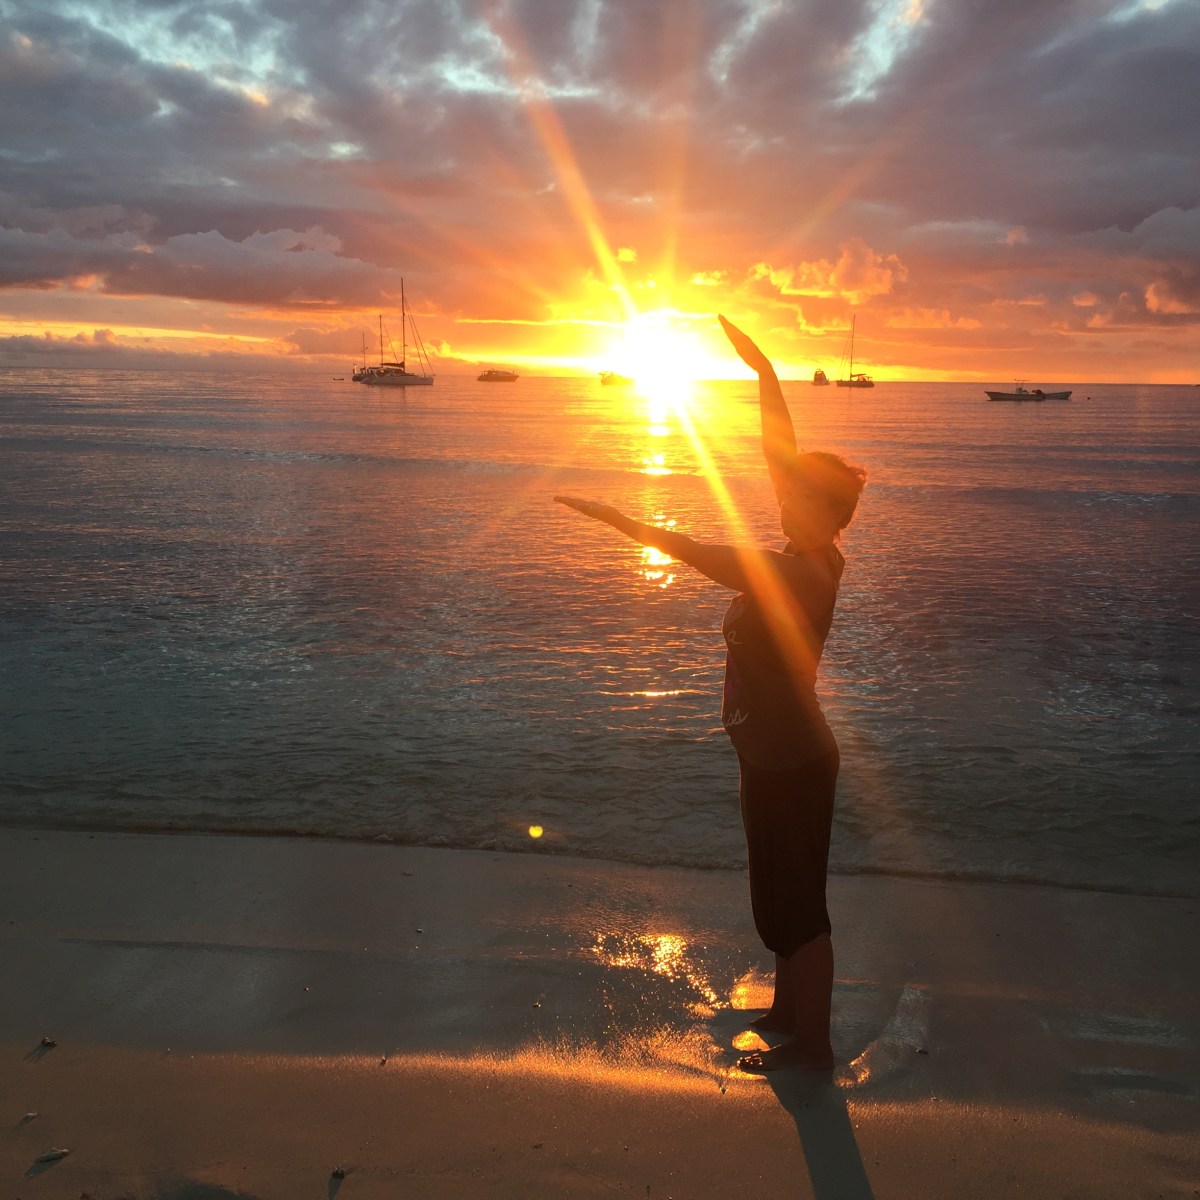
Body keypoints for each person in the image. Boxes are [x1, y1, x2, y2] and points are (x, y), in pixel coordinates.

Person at [554, 314, 866, 1073]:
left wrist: (622, 521)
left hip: (793, 757)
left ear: (833, 516)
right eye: (789, 495)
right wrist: (765, 374)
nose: (788, 502)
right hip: (769, 751)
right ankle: (788, 1012)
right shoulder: (804, 547)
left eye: (807, 500)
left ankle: (814, 1048)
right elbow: (778, 454)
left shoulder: (801, 573)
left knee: (801, 907)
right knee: (778, 897)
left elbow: (704, 554)